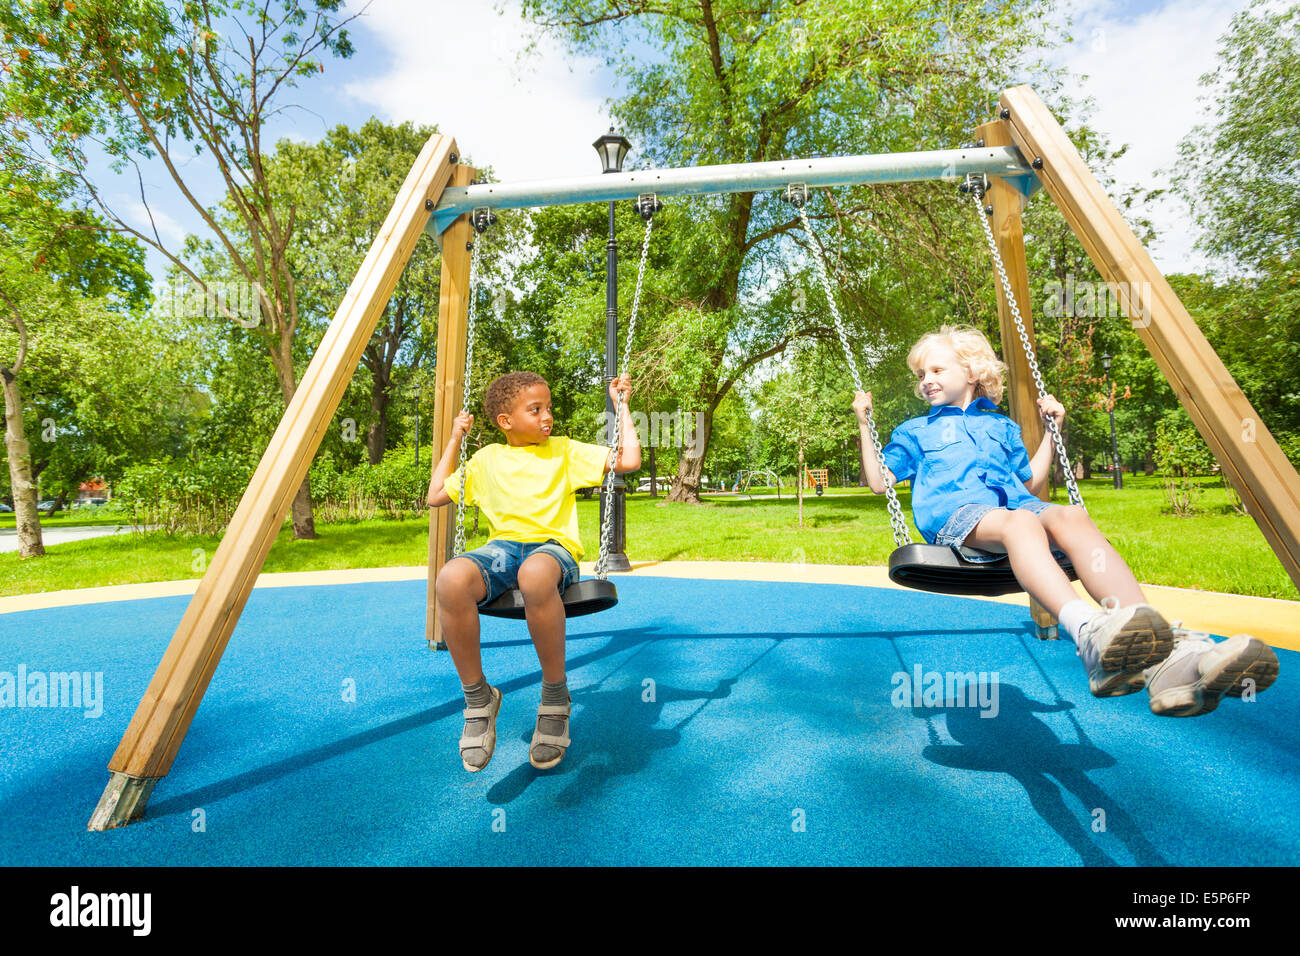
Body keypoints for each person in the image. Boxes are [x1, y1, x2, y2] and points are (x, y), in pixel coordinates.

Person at [852, 324, 1278, 716]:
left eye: (937, 369)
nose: (926, 379)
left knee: (1071, 515)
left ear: (972, 371)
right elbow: (879, 481)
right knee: (1021, 524)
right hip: (960, 522)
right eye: (921, 373)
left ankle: (1172, 661)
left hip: (1018, 511)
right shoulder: (915, 431)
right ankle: (1087, 629)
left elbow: (1030, 481)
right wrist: (863, 422)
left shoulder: (1002, 427)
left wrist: (1053, 432)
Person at [427, 370, 641, 770]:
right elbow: (436, 494)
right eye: (535, 409)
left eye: (549, 408)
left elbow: (628, 459)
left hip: (551, 548)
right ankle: (478, 699)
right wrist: (456, 437)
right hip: (502, 551)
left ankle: (555, 695)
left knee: (535, 575)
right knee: (451, 578)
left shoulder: (563, 450)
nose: (547, 417)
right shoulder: (487, 458)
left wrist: (622, 405)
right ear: (505, 422)